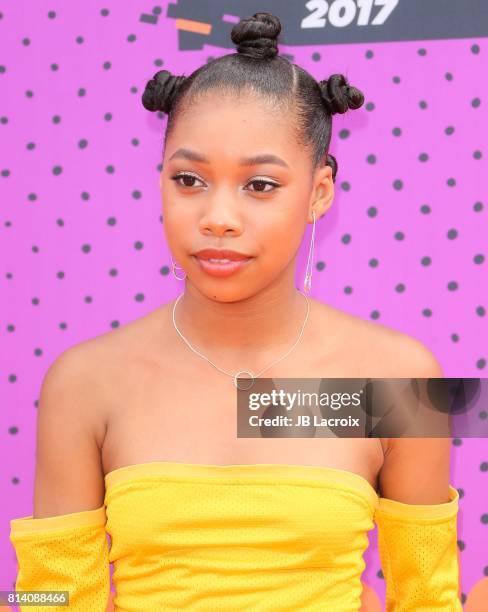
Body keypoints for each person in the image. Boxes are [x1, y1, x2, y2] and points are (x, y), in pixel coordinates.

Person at [10, 11, 461, 611]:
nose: (217, 217)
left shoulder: (399, 377)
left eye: (260, 185)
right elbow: (50, 598)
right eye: (190, 179)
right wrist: (22, 598)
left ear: (319, 192)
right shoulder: (84, 382)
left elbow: (427, 599)